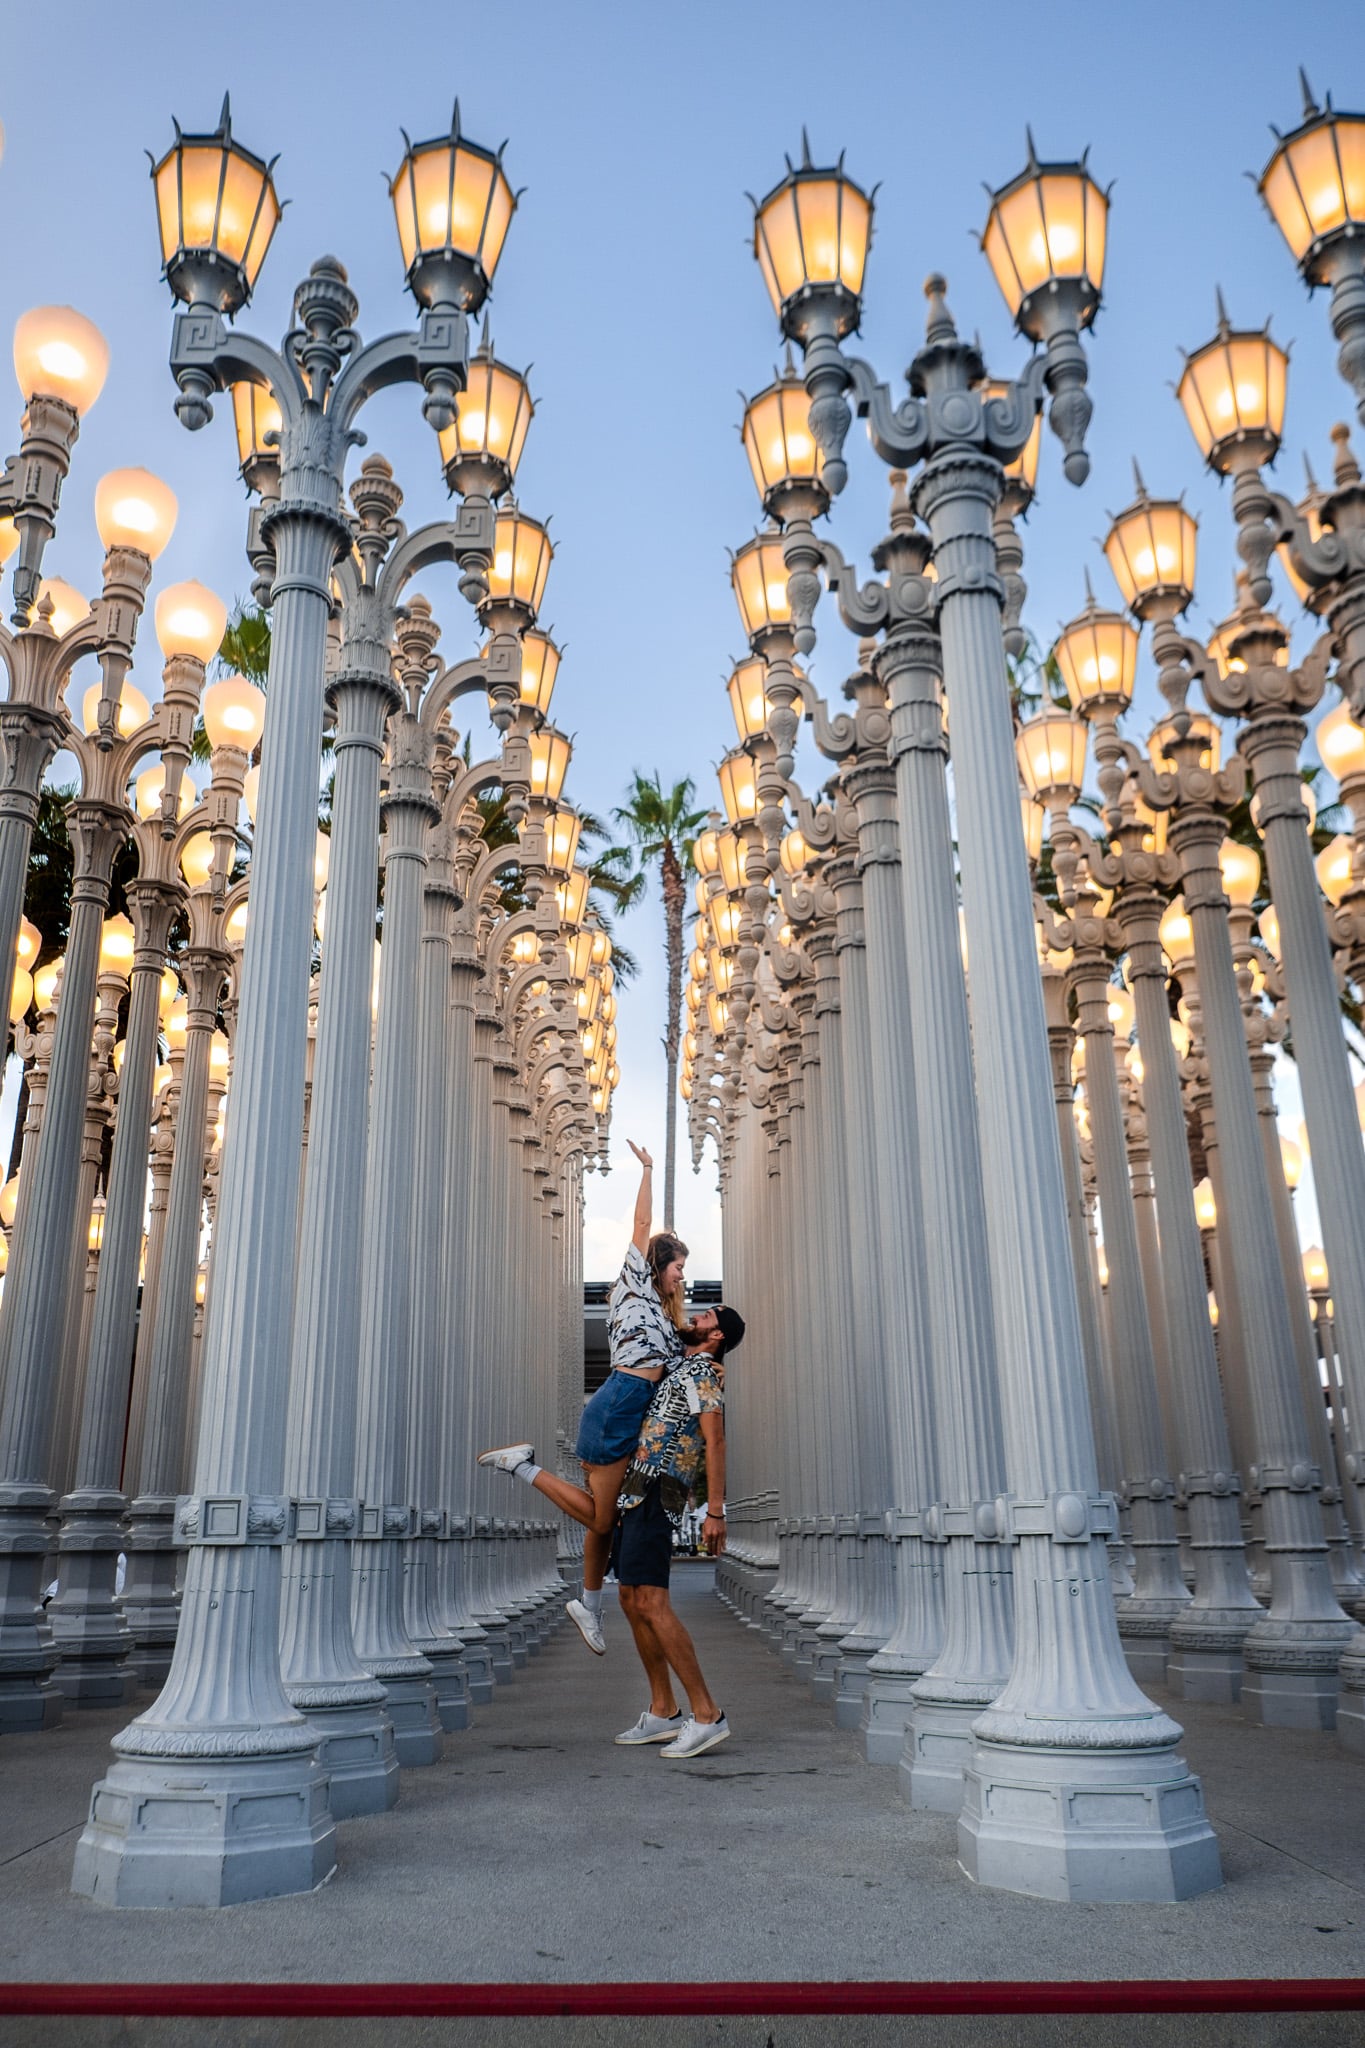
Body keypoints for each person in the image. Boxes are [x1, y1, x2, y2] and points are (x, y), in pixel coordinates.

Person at [478, 1140, 699, 1654]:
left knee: (608, 1515)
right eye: (677, 1266)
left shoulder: (668, 1320)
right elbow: (642, 1227)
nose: (681, 1275)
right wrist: (647, 1170)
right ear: (656, 1266)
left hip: (632, 1413)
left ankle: (590, 1606)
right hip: (618, 1402)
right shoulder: (633, 1286)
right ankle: (523, 1467)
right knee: (602, 1518)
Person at [612, 1299, 745, 1759]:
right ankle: (662, 1710)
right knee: (631, 1599)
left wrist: (716, 1509)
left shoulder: (705, 1373)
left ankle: (707, 1714)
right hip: (634, 1490)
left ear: (718, 1336)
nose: (695, 1317)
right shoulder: (679, 1366)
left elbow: (715, 1438)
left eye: (706, 1317)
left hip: (658, 1490)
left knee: (651, 1600)